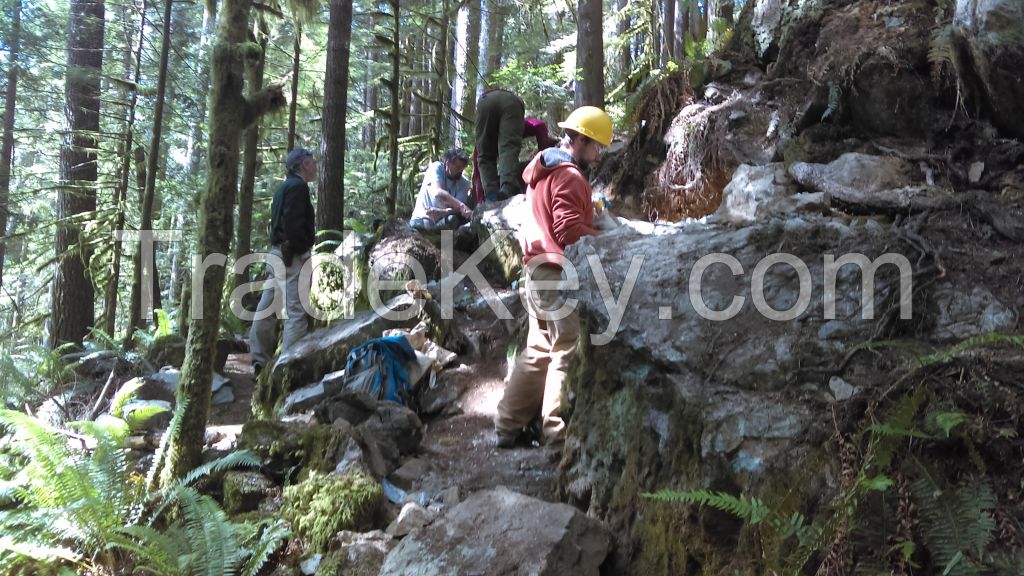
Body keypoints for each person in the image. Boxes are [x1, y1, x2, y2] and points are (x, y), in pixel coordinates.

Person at [494, 106, 613, 448]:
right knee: (566, 347)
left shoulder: (543, 171)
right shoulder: (571, 176)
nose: (599, 153)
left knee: (537, 349)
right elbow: (568, 229)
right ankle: (556, 433)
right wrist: (604, 235)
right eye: (597, 146)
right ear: (582, 140)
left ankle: (507, 424)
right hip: (557, 272)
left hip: (535, 269)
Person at [249, 147, 317, 376]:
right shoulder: (298, 187)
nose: (315, 164)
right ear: (303, 164)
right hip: (290, 256)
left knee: (267, 307)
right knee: (296, 311)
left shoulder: (283, 188)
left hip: (277, 253)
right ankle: (288, 369)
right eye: (312, 161)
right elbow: (292, 223)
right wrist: (300, 249)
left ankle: (259, 360)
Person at [472, 116, 557, 204]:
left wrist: (542, 158)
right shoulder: (483, 146)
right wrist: (480, 198)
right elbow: (478, 174)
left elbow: (538, 125)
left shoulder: (516, 127)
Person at [474, 89, 527, 201]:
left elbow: (479, 154)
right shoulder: (529, 124)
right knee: (509, 148)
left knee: (484, 155)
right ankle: (507, 188)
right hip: (512, 102)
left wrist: (481, 195)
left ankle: (492, 194)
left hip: (486, 100)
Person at [409, 148, 473, 229]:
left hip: (444, 220)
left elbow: (458, 210)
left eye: (462, 168)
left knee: (451, 221)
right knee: (423, 229)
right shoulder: (436, 168)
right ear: (447, 163)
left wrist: (444, 212)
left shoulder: (464, 183)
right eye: (457, 167)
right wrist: (461, 206)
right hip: (423, 216)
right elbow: (438, 193)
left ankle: (446, 242)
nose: (460, 171)